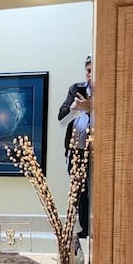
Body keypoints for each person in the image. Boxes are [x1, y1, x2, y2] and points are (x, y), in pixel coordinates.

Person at [58, 55, 92, 241]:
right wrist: (75, 108)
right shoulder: (76, 89)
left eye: (94, 70)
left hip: (96, 152)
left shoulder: (109, 92)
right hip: (76, 150)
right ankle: (84, 230)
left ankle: (93, 229)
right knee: (79, 192)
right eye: (88, 70)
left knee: (95, 190)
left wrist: (91, 108)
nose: (90, 75)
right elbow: (61, 119)